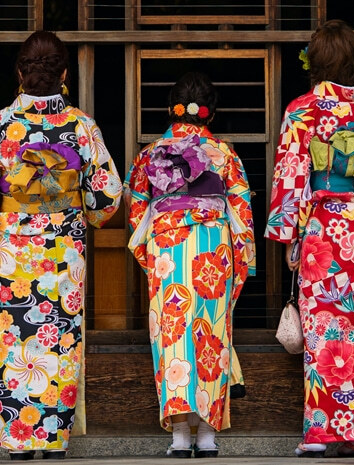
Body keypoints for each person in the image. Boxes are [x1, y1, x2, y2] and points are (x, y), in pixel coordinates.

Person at [0, 30, 122, 461]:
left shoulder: (0, 125)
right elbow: (107, 195)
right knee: (60, 342)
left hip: (16, 248)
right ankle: (53, 440)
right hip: (63, 250)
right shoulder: (81, 126)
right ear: (65, 73)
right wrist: (84, 212)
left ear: (20, 72)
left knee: (16, 341)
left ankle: (19, 440)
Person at [264, 19, 354, 458]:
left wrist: (288, 234)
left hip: (326, 228)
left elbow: (291, 174)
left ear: (315, 62)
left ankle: (323, 431)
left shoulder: (303, 109)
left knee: (325, 326)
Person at [126, 72, 256, 459]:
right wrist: (240, 258)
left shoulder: (150, 154)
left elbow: (136, 211)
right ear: (210, 115)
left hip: (167, 247)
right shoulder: (225, 154)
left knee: (172, 333)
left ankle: (180, 436)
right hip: (213, 247)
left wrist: (149, 254)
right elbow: (243, 212)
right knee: (211, 333)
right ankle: (208, 437)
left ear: (172, 110)